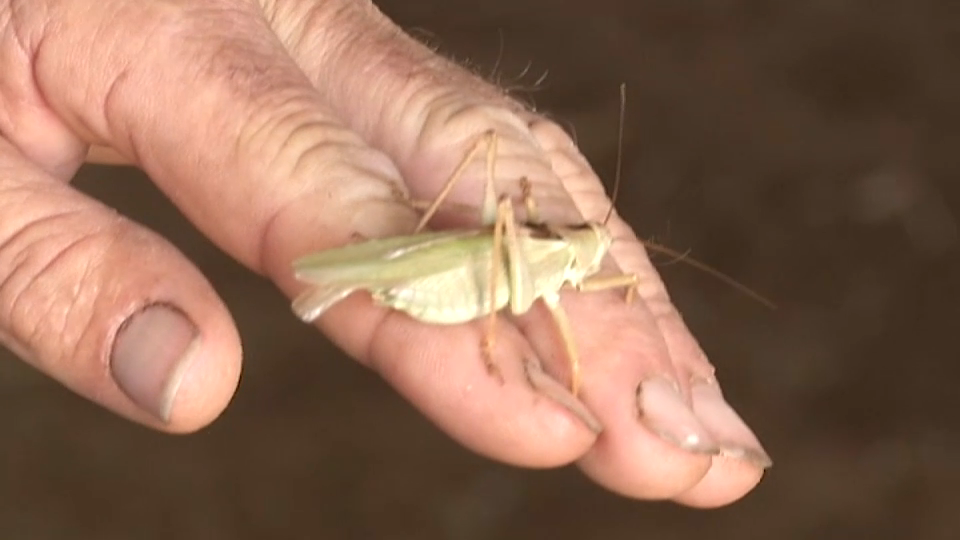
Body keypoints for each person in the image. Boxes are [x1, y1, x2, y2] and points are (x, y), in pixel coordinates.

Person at [0, 0, 769, 507]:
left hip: (464, 268)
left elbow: (577, 270)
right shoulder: (549, 258)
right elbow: (545, 283)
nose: (601, 270)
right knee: (517, 259)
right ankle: (408, 263)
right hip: (460, 275)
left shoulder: (568, 255)